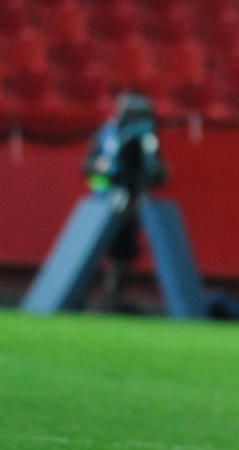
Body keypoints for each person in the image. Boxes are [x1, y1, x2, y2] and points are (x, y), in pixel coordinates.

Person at [83, 91, 167, 311]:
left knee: (124, 251)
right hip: (102, 202)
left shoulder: (146, 138)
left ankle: (111, 298)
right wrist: (103, 175)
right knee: (92, 250)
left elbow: (155, 171)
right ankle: (84, 295)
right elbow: (89, 166)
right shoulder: (106, 134)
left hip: (131, 201)